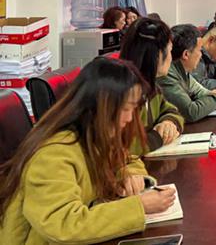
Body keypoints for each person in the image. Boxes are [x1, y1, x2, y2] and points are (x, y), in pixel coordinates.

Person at [0, 58, 176, 244]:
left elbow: (127, 158)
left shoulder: (96, 136)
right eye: (126, 108)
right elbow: (63, 224)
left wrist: (131, 174)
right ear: (102, 107)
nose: (130, 118)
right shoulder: (53, 155)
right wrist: (139, 206)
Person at [120, 18, 185, 155]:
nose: (171, 58)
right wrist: (158, 137)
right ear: (157, 55)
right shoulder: (122, 93)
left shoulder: (152, 88)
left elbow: (172, 111)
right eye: (170, 50)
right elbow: (120, 145)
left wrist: (169, 122)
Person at [158, 24, 216, 123]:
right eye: (199, 50)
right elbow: (190, 112)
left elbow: (201, 92)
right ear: (186, 54)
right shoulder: (167, 74)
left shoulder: (182, 70)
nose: (201, 55)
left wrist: (213, 97)